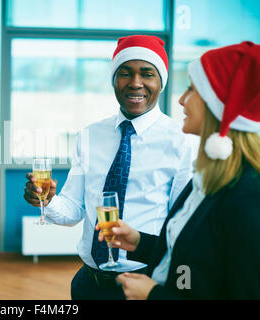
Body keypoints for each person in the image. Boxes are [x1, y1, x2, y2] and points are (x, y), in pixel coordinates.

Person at [24, 35, 197, 299]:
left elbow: (181, 227)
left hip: (144, 283)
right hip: (88, 283)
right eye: (125, 73)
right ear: (114, 81)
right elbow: (73, 210)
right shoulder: (90, 135)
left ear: (161, 82)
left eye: (147, 74)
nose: (135, 83)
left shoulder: (182, 141)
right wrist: (47, 201)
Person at [111, 41, 260, 299]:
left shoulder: (247, 197)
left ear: (220, 106)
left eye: (192, 89)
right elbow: (193, 262)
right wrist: (139, 242)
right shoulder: (207, 178)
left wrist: (153, 295)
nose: (181, 99)